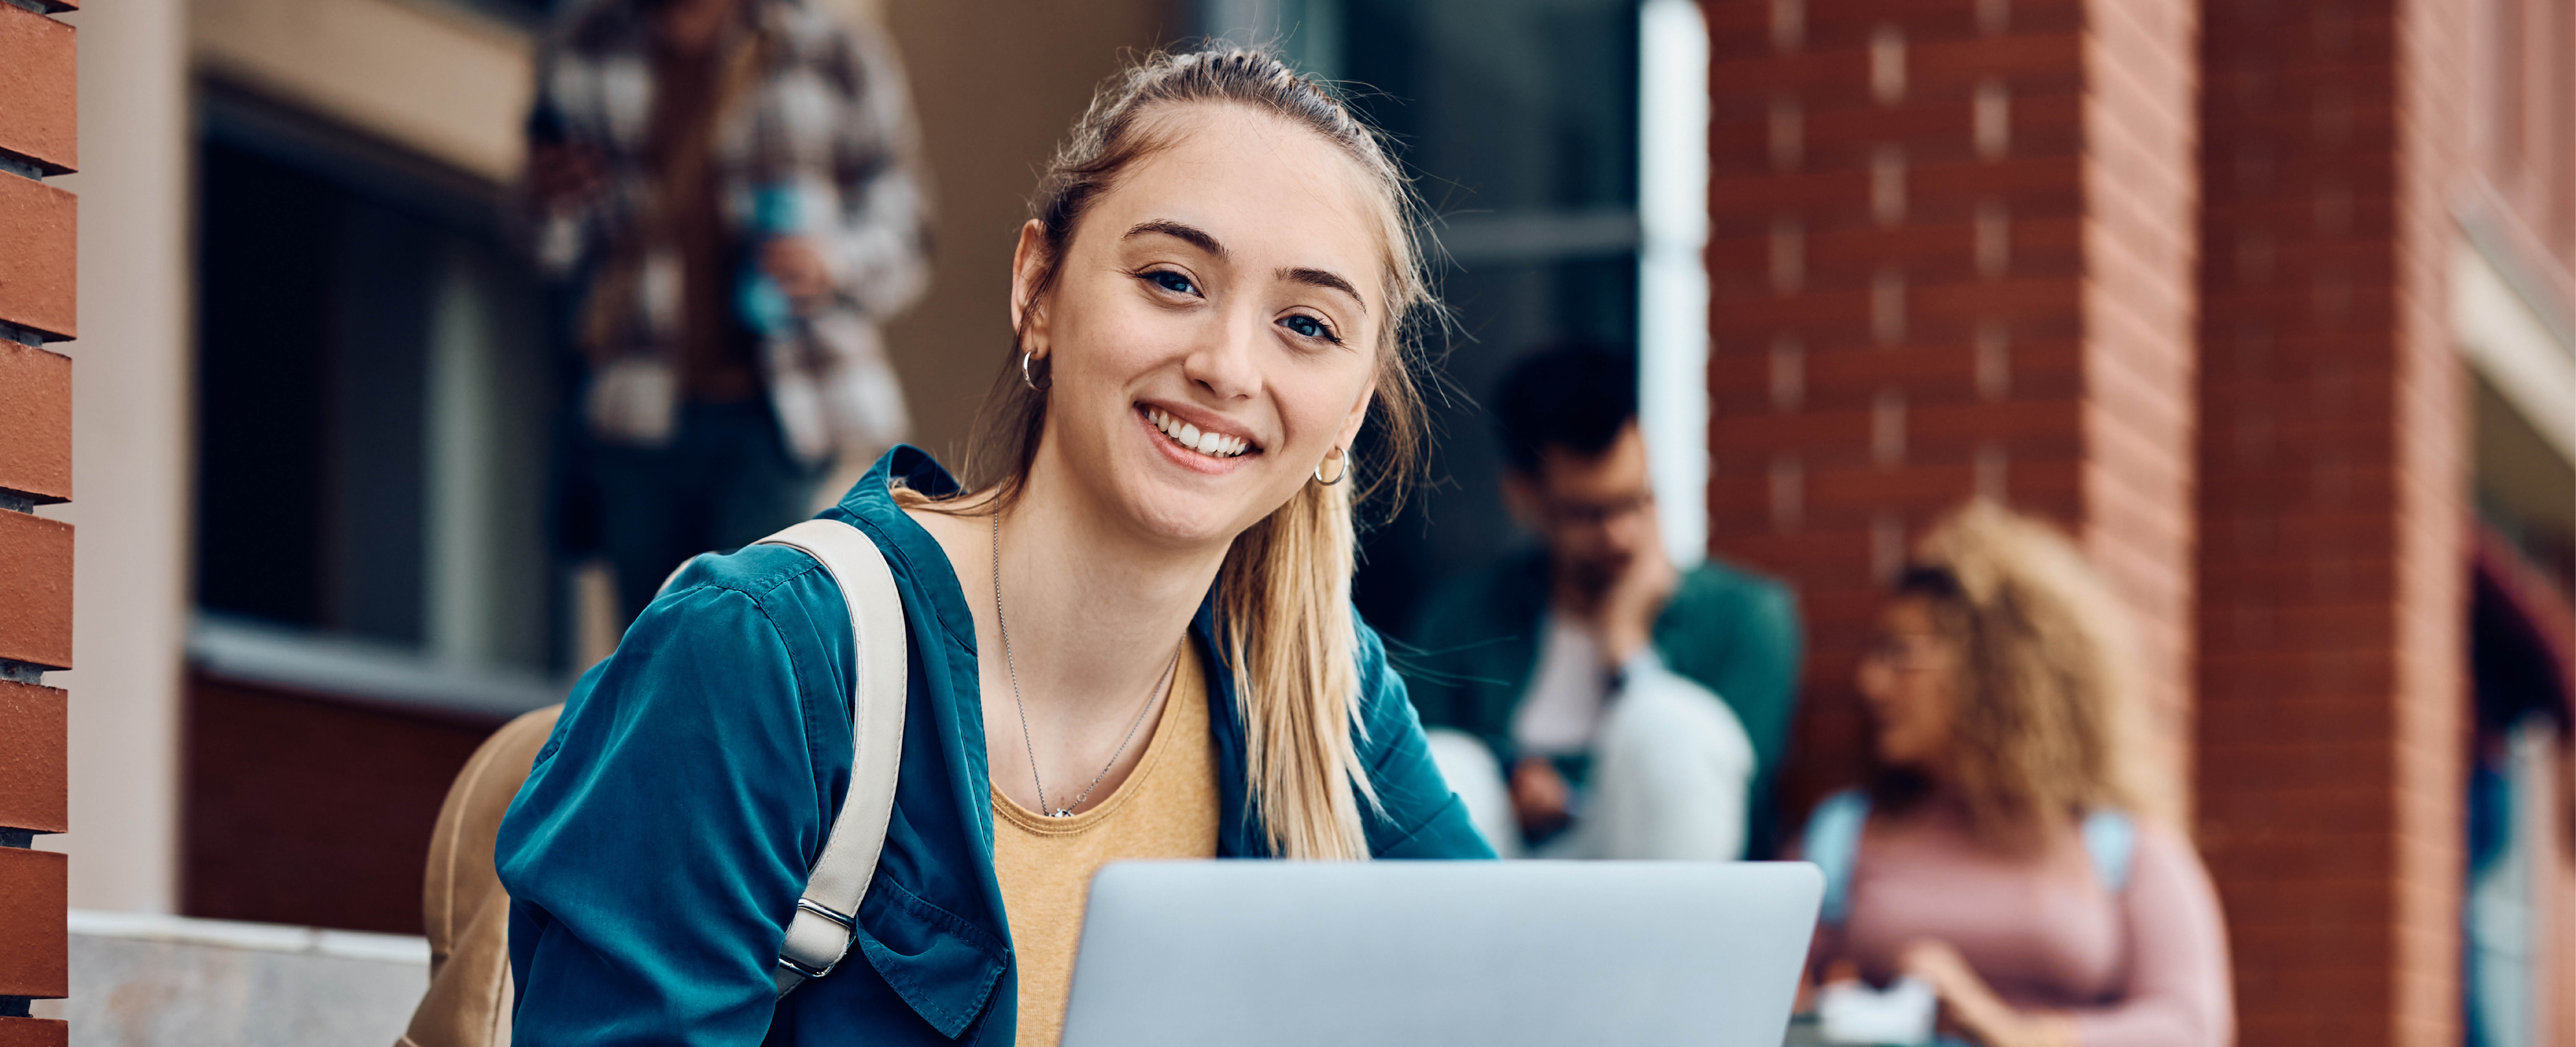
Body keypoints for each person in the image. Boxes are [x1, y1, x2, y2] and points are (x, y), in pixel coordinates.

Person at [496, 48, 1492, 1047]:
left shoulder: (1318, 692)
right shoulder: (756, 657)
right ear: (1038, 291)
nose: (1227, 366)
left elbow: (1531, 995)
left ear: (1351, 409)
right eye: (1171, 279)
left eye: (1307, 324)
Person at [525, 0, 930, 624]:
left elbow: (908, 225)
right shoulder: (580, 47)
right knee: (654, 650)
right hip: (632, 418)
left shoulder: (834, 51)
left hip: (786, 417)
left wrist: (834, 263)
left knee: (760, 642)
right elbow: (549, 248)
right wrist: (549, 204)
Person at [1798, 503, 2232, 1047]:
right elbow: (1759, 1001)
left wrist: (2016, 1035)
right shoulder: (1840, 838)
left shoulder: (2125, 850)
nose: (1872, 682)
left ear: (1993, 668)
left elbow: (2192, 1028)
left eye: (1899, 654)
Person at [1404, 344, 1801, 859]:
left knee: (1671, 724)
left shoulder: (1744, 617)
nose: (1620, 535)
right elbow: (1407, 774)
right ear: (1524, 497)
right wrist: (1509, 775)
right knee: (1448, 763)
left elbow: (1736, 800)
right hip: (1507, 872)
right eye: (1589, 514)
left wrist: (1631, 652)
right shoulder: (1464, 618)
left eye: (1636, 501)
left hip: (1655, 882)